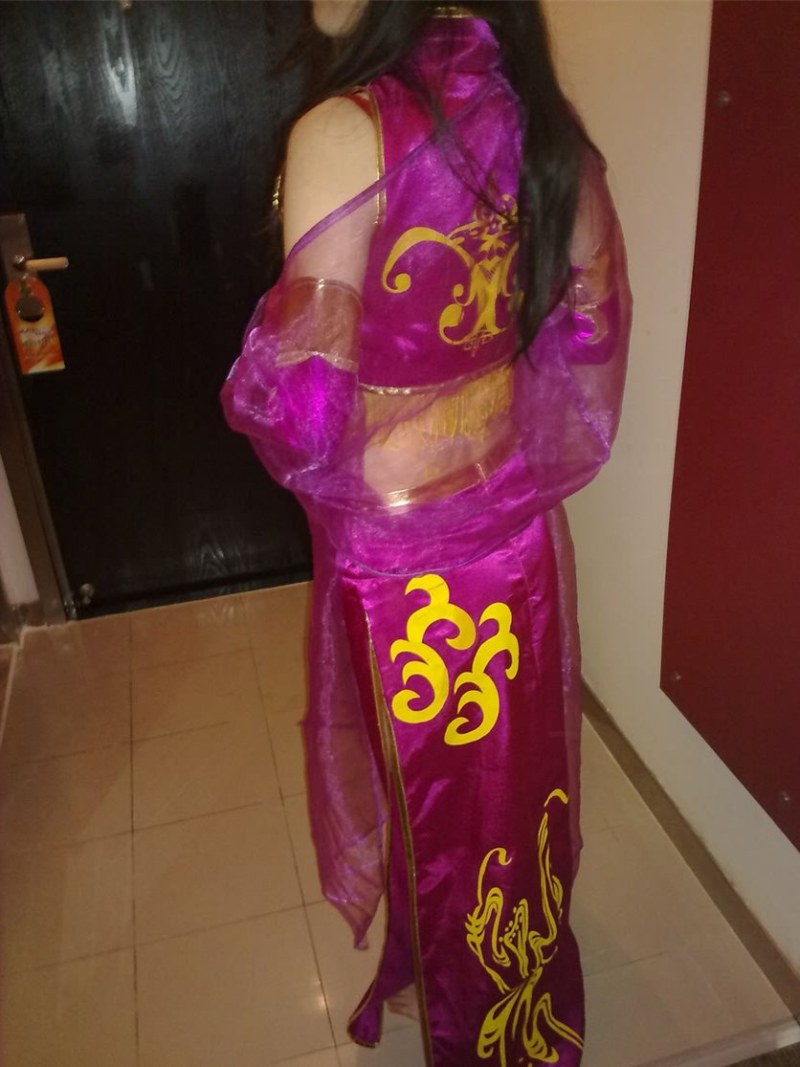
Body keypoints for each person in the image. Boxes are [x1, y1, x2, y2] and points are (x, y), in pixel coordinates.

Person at [221, 2, 631, 1064]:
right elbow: (590, 326)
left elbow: (305, 412)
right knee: (510, 794)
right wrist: (480, 390)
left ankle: (480, 1029)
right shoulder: (544, 123)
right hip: (517, 535)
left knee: (441, 807)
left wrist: (275, 371)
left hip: (408, 570)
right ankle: (517, 990)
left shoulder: (344, 130)